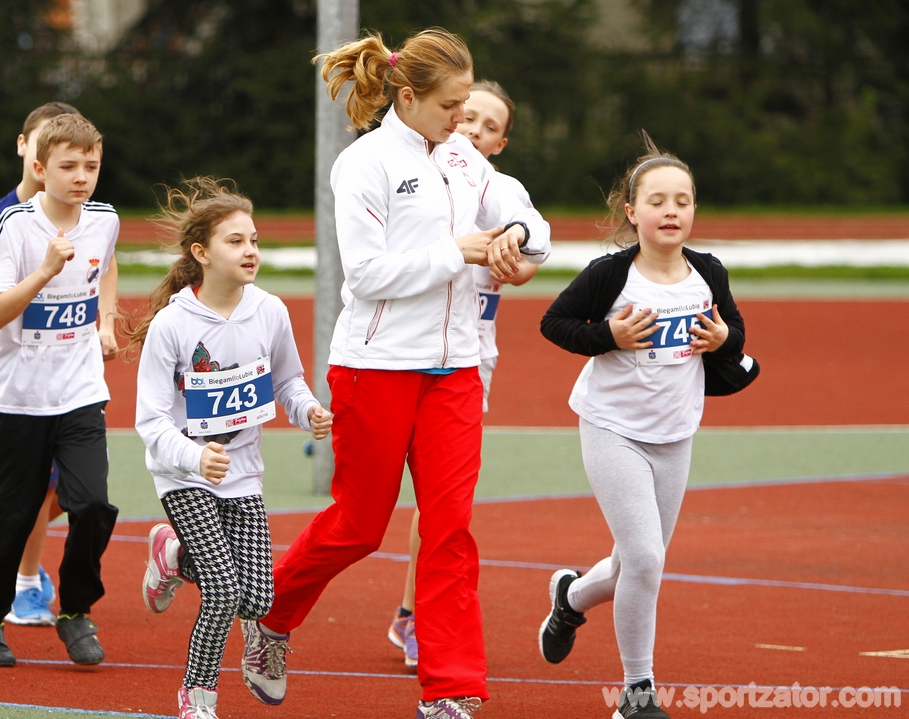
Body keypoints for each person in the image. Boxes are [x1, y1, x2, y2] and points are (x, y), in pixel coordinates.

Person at [239, 29, 550, 719]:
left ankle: (450, 689)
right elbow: (366, 274)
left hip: (457, 371)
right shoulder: (363, 163)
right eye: (451, 105)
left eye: (468, 105)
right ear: (407, 97)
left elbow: (532, 221)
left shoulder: (464, 158)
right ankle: (269, 615)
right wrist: (459, 251)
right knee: (359, 526)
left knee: (449, 529)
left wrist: (516, 237)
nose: (462, 119)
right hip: (373, 368)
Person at [538, 134, 757, 719]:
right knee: (646, 560)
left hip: (676, 433)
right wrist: (608, 336)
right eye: (657, 201)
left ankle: (570, 597)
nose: (671, 211)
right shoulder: (611, 275)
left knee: (637, 561)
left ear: (694, 210)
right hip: (612, 427)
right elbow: (554, 323)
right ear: (632, 212)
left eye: (682, 201)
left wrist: (723, 339)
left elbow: (735, 333)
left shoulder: (707, 272)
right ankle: (637, 695)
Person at [130, 178, 333, 719]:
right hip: (184, 474)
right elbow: (150, 421)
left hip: (243, 474)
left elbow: (287, 381)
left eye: (254, 240)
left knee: (257, 598)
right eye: (236, 241)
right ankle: (197, 696)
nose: (251, 251)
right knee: (222, 591)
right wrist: (195, 456)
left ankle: (172, 555)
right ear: (201, 253)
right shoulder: (172, 325)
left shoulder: (269, 311)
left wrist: (308, 410)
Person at [387, 79, 541, 669]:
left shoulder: (503, 194)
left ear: (501, 144)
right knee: (367, 506)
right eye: (467, 116)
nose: (474, 130)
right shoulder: (415, 177)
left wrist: (514, 254)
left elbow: (527, 263)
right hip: (402, 351)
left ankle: (416, 615)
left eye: (490, 127)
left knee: (443, 501)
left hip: (470, 358)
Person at [0, 113, 120, 667]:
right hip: (15, 400)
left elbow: (106, 265)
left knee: (92, 503)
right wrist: (47, 270)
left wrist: (105, 319)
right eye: (68, 166)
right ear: (39, 167)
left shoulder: (104, 219)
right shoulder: (15, 226)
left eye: (91, 166)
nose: (81, 177)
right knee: (9, 520)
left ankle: (75, 610)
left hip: (80, 392)